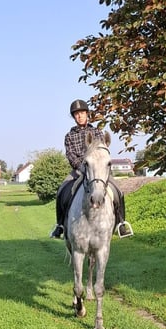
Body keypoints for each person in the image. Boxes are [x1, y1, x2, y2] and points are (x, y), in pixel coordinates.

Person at [50, 99, 133, 239]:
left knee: (118, 191)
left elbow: (103, 152)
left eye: (82, 113)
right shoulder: (69, 136)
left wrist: (97, 166)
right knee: (61, 190)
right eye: (76, 114)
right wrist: (82, 167)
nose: (80, 116)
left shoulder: (97, 133)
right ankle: (60, 225)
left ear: (87, 114)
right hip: (79, 171)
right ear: (74, 117)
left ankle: (121, 223)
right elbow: (70, 155)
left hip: (98, 171)